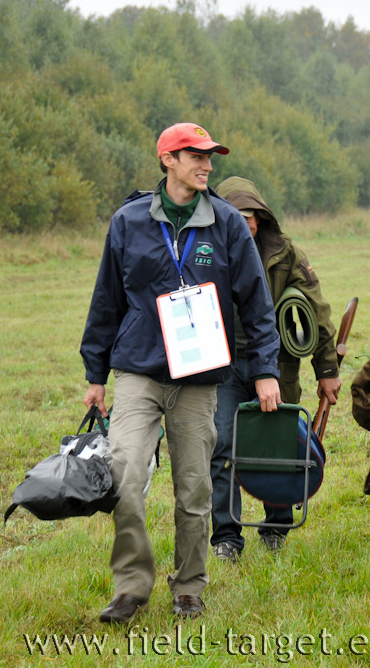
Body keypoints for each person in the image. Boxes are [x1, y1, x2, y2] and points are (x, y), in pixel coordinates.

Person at [81, 123, 281, 624]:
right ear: (168, 159)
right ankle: (131, 588)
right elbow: (106, 299)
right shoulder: (128, 221)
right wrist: (95, 374)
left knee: (194, 488)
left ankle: (189, 586)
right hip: (139, 370)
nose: (207, 165)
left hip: (198, 377)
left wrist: (265, 369)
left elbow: (256, 303)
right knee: (125, 475)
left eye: (210, 157)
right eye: (197, 156)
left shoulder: (228, 222)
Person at [208, 176, 342, 560]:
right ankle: (227, 537)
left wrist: (327, 370)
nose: (246, 223)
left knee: (280, 444)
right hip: (223, 367)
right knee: (220, 445)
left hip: (277, 365)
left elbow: (316, 312)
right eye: (237, 215)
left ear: (262, 216)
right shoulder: (206, 250)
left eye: (251, 216)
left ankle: (276, 526)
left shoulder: (286, 254)